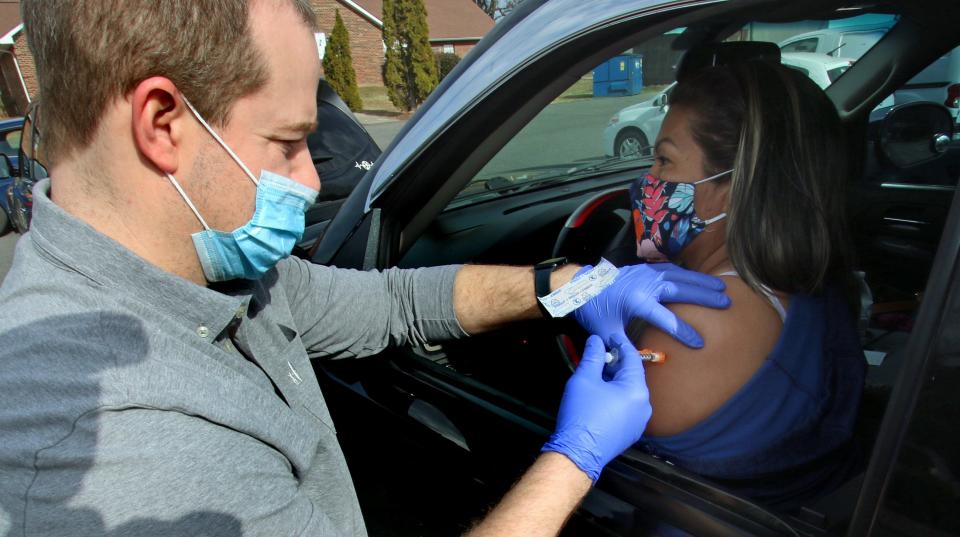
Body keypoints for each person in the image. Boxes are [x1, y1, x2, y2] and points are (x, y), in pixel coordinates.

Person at [0, 2, 732, 536]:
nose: (313, 182)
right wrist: (575, 456)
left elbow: (390, 302)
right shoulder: (126, 457)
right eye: (289, 142)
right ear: (163, 123)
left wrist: (572, 285)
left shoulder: (210, 269)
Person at [625, 60, 867, 504]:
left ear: (736, 185)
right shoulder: (814, 281)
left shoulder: (698, 324)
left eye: (664, 160)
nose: (648, 182)